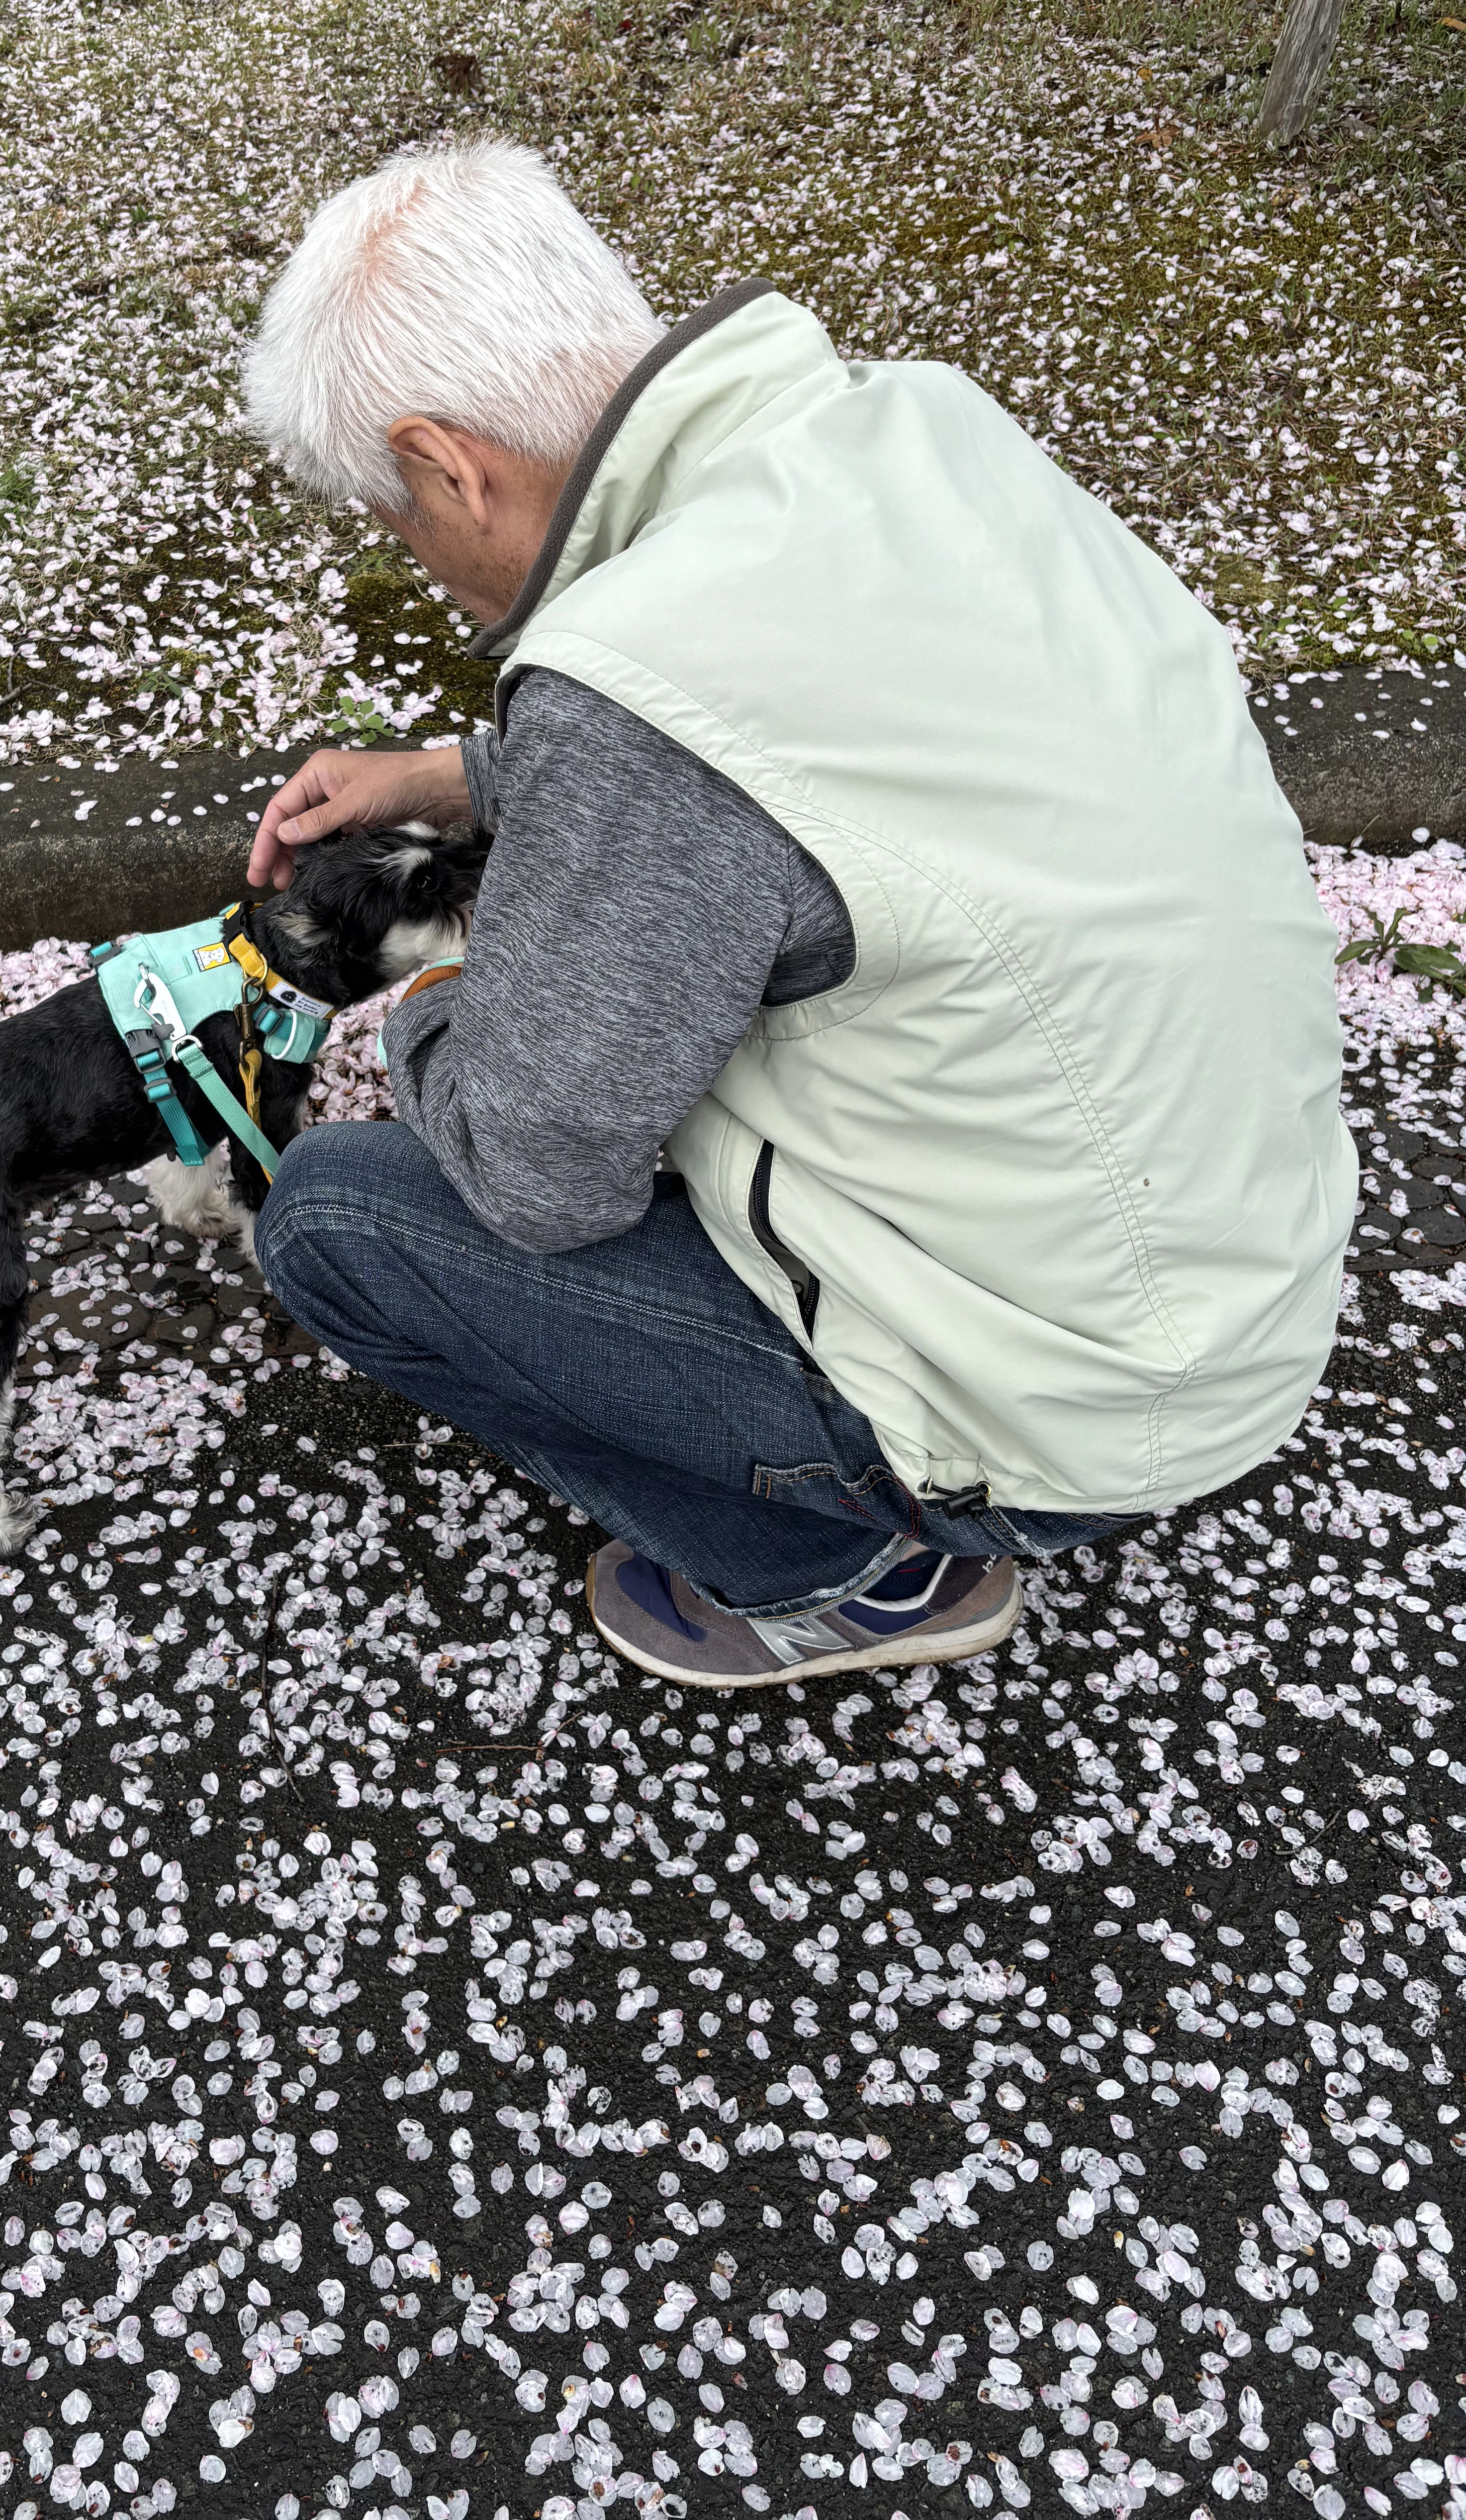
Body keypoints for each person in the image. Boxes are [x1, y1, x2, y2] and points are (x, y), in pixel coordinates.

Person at [235, 141, 1356, 1692]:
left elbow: (538, 1175)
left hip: (1059, 1423)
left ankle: (855, 1573)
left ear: (444, 463)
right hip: (1236, 1285)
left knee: (341, 1219)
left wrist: (431, 1015)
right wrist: (459, 773)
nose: (412, 559)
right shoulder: (917, 432)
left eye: (391, 518)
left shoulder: (637, 691)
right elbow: (860, 747)